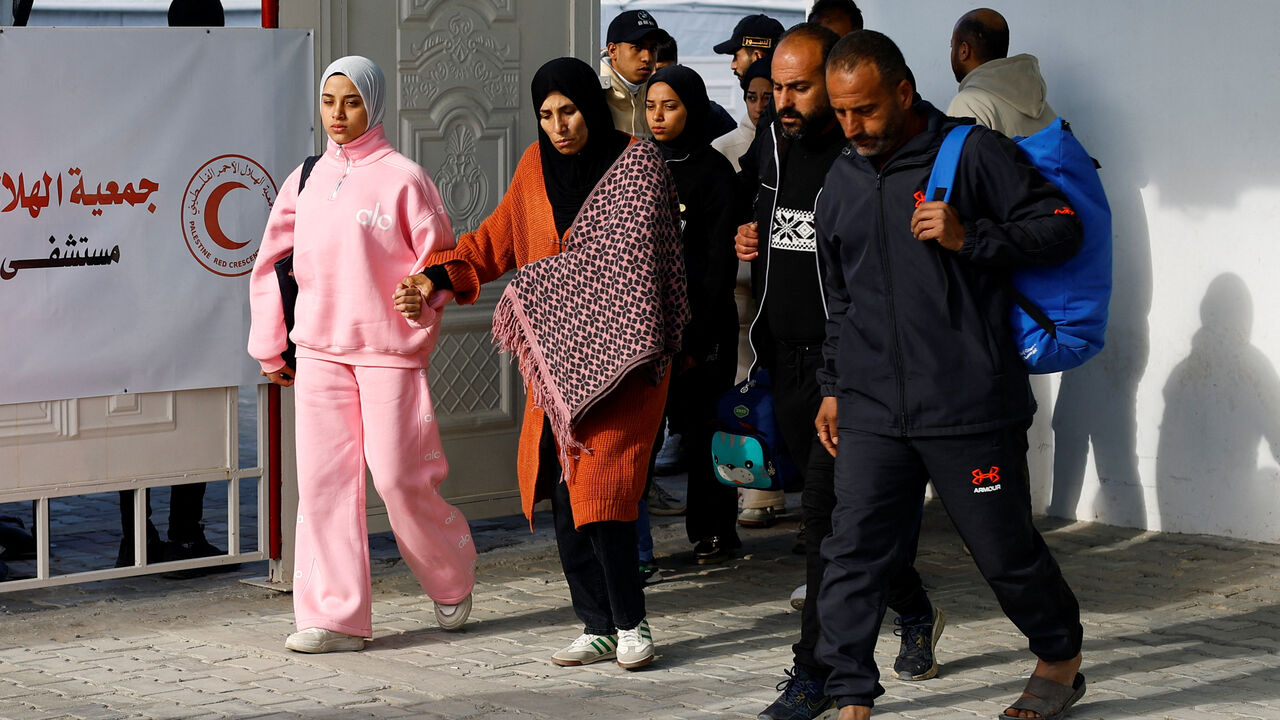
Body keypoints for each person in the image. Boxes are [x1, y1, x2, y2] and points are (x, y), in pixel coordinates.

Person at [816, 31, 1086, 720]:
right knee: (852, 554)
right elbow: (839, 297)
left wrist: (974, 239)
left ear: (904, 92)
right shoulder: (842, 175)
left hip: (969, 405)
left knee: (1004, 554)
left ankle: (1059, 656)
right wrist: (831, 385)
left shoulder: (971, 154)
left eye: (867, 110)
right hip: (873, 406)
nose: (853, 126)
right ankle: (849, 694)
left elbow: (1062, 228)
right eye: (841, 112)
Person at [395, 57, 688, 670]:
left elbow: (632, 271)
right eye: (547, 115)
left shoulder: (638, 167)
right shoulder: (533, 167)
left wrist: (538, 289)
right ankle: (596, 624)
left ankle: (633, 624)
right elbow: (493, 242)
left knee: (605, 493)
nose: (559, 127)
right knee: (561, 487)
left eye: (570, 112)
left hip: (626, 368)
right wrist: (431, 277)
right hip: (558, 370)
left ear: (591, 105)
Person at [736, 25, 941, 720]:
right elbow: (759, 215)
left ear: (836, 82)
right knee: (851, 532)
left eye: (800, 88)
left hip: (845, 370)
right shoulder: (773, 141)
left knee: (827, 528)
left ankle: (815, 675)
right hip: (782, 361)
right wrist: (747, 232)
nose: (783, 102)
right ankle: (912, 607)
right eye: (777, 89)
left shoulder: (862, 158)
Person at [248, 56, 477, 653]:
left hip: (387, 353)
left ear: (373, 104)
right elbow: (272, 263)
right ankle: (336, 617)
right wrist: (271, 344)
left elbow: (445, 262)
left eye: (351, 102)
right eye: (330, 102)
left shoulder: (405, 179)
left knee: (400, 477)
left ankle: (450, 575)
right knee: (322, 484)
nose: (339, 115)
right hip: (320, 350)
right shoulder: (306, 178)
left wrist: (424, 292)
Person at [646, 65, 743, 565]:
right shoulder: (638, 168)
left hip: (703, 325)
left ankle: (714, 530)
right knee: (644, 432)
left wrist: (694, 338)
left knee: (708, 428)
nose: (659, 117)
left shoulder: (714, 173)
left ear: (694, 108)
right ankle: (635, 545)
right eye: (651, 107)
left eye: (671, 106)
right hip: (648, 328)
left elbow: (717, 266)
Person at [947, 8, 1056, 139]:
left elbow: (961, 158)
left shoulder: (968, 103)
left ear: (964, 50)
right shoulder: (1041, 105)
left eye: (952, 46)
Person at [600, 9, 669, 140]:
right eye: (637, 47)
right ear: (613, 50)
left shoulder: (655, 90)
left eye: (653, 48)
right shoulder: (593, 91)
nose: (647, 58)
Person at [712, 58, 772, 173]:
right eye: (752, 98)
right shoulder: (722, 148)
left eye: (767, 98)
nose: (759, 108)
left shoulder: (793, 147)